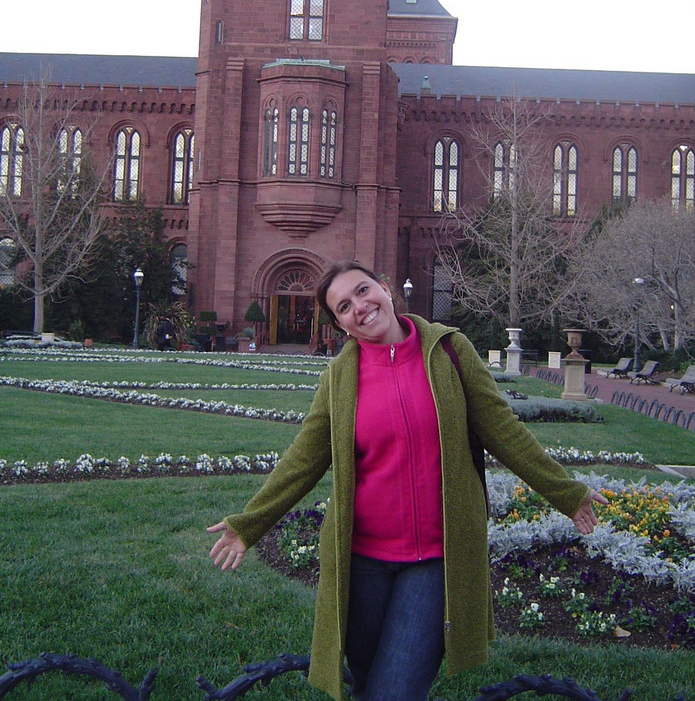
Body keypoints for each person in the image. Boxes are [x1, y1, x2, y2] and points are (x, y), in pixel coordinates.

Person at [208, 261, 607, 701]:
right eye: (344, 306)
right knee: (366, 686)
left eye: (363, 291)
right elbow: (303, 460)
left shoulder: (449, 351)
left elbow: (503, 429)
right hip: (360, 564)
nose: (360, 306)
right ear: (340, 323)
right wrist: (250, 523)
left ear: (384, 287)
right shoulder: (340, 377)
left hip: (434, 562)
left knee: (393, 692)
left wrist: (565, 492)